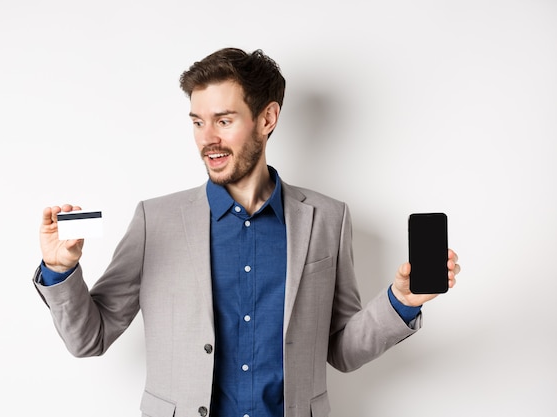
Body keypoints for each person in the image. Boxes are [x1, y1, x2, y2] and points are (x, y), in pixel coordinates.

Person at [34, 47, 461, 417]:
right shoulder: (155, 220)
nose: (208, 139)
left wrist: (400, 302)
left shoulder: (328, 218)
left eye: (223, 120)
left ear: (267, 118)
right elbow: (89, 339)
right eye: (198, 122)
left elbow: (342, 350)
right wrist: (60, 270)